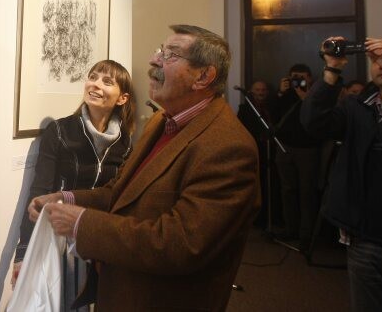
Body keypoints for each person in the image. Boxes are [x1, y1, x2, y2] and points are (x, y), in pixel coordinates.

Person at [29, 25, 260, 311]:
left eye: (171, 55)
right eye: (160, 50)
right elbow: (121, 192)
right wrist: (66, 198)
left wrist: (81, 223)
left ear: (203, 76)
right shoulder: (160, 122)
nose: (154, 60)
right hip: (122, 292)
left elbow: (180, 243)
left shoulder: (229, 147)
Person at [11, 59, 135, 309]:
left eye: (107, 81)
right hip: (60, 239)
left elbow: (121, 195)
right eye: (93, 77)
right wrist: (22, 253)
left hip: (100, 238)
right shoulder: (59, 131)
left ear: (122, 98)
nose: (95, 84)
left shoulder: (125, 143)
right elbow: (39, 193)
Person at [301, 34, 382, 312]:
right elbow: (314, 122)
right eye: (377, 58)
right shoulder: (357, 106)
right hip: (367, 240)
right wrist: (332, 69)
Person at [273, 63, 320, 251]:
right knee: (287, 190)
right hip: (284, 147)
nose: (298, 80)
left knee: (307, 192)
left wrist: (305, 98)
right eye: (294, 77)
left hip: (308, 149)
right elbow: (274, 116)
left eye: (302, 77)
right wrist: (280, 93)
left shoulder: (317, 93)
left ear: (310, 78)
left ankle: (306, 234)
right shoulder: (285, 95)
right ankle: (290, 228)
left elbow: (319, 118)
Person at [237, 80, 276, 228]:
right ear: (251, 92)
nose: (260, 93)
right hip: (254, 152)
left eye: (263, 90)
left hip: (271, 152)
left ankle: (271, 216)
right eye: (257, 90)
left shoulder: (272, 107)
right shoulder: (245, 109)